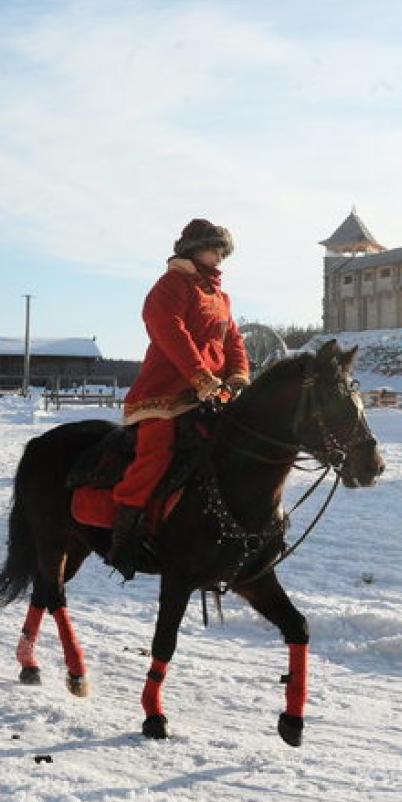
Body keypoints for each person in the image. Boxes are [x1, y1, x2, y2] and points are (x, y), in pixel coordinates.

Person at [106, 218, 251, 580]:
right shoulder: (170, 285)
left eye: (222, 251)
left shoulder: (221, 298)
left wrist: (237, 376)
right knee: (157, 451)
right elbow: (171, 333)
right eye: (213, 248)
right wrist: (200, 375)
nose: (219, 256)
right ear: (192, 249)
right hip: (163, 394)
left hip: (211, 392)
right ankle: (123, 535)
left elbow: (233, 341)